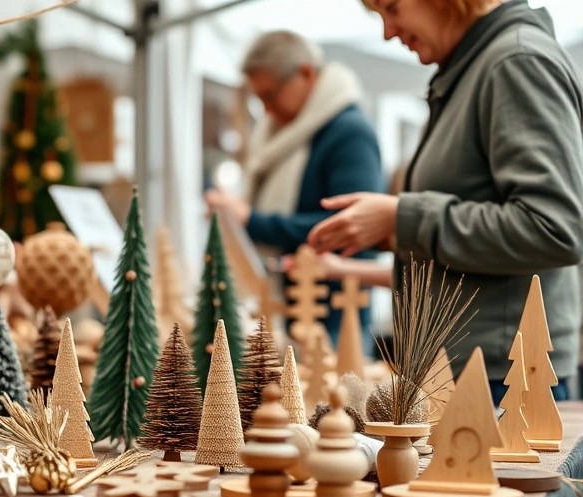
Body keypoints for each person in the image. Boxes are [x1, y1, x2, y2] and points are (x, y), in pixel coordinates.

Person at [308, 0, 583, 403]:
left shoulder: (515, 62)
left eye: (392, 8)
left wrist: (404, 218)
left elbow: (554, 227)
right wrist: (391, 228)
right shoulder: (475, 67)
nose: (388, 31)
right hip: (472, 372)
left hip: (502, 382)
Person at [205, 31, 385, 348]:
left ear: (304, 73)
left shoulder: (349, 134)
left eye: (271, 95)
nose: (266, 110)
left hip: (334, 324)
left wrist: (251, 220)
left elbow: (354, 230)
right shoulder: (280, 136)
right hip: (289, 315)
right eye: (259, 99)